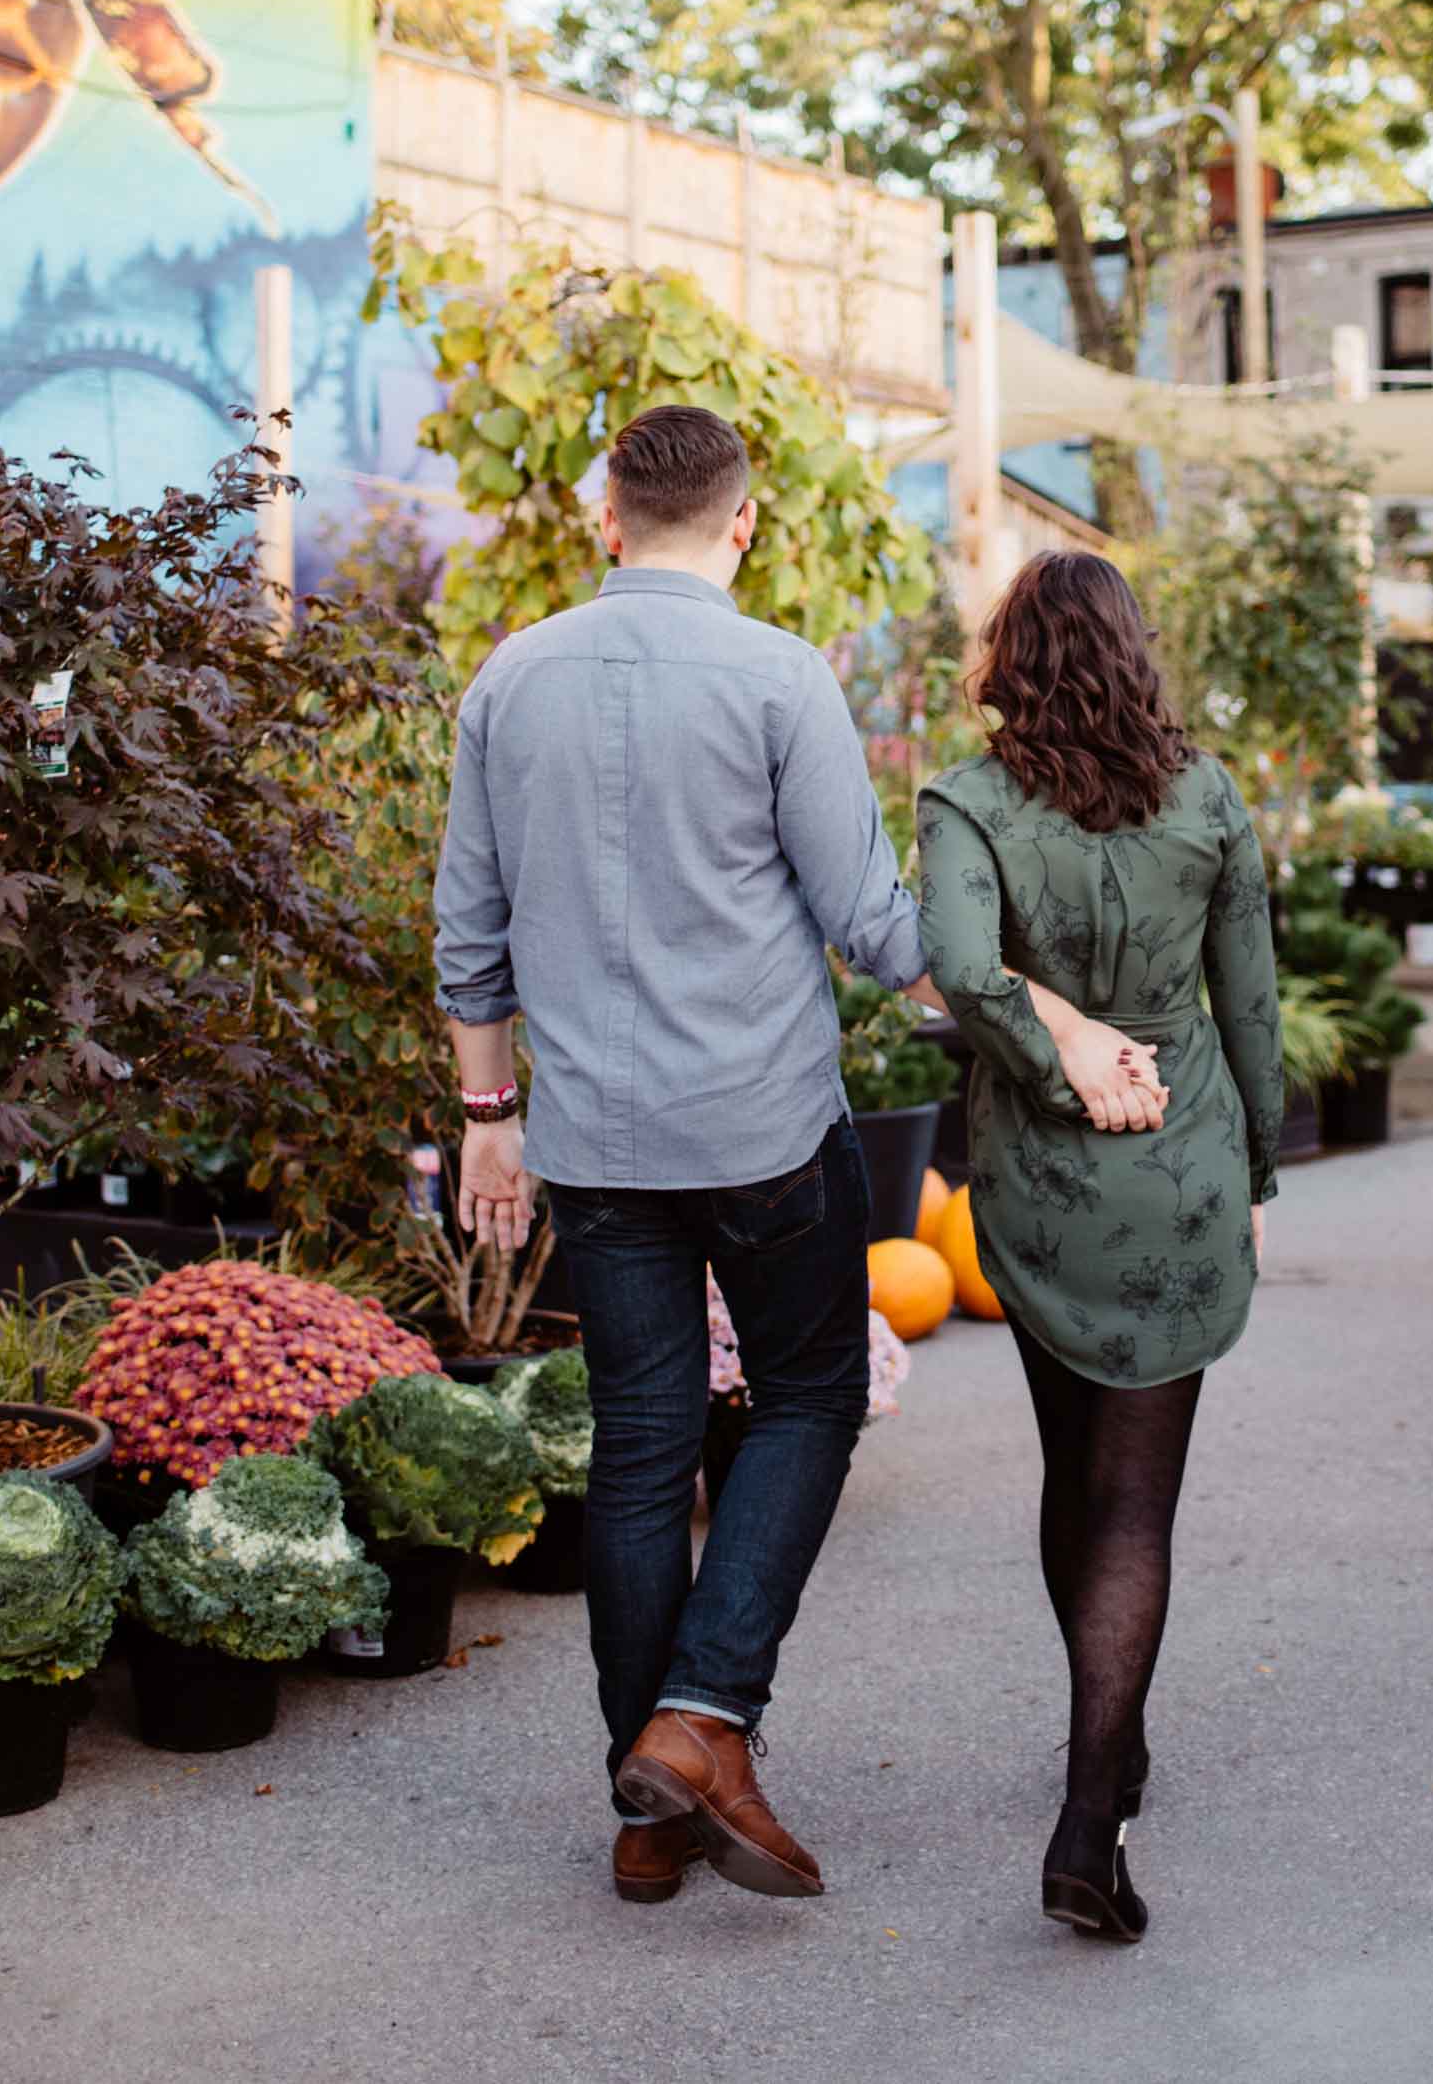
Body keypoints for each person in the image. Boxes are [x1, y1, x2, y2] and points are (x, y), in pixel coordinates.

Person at [434, 405, 1152, 1908]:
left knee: (638, 1449)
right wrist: (1064, 1026)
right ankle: (701, 1723)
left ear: (608, 518)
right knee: (810, 1397)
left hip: (595, 1147)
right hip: (763, 1131)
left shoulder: (508, 680)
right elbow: (886, 933)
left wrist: (487, 1125)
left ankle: (651, 1812)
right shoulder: (777, 679)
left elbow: (471, 935)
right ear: (744, 523)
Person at [914, 550, 1282, 1946]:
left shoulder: (970, 799)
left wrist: (1058, 1067)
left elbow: (960, 966)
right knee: (1138, 1501)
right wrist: (1254, 1167)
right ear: (1134, 653)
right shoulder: (1206, 795)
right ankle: (1093, 1805)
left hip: (1040, 1183)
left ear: (1010, 658)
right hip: (1179, 1170)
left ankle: (1106, 1759)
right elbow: (1249, 999)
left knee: (1075, 1471)